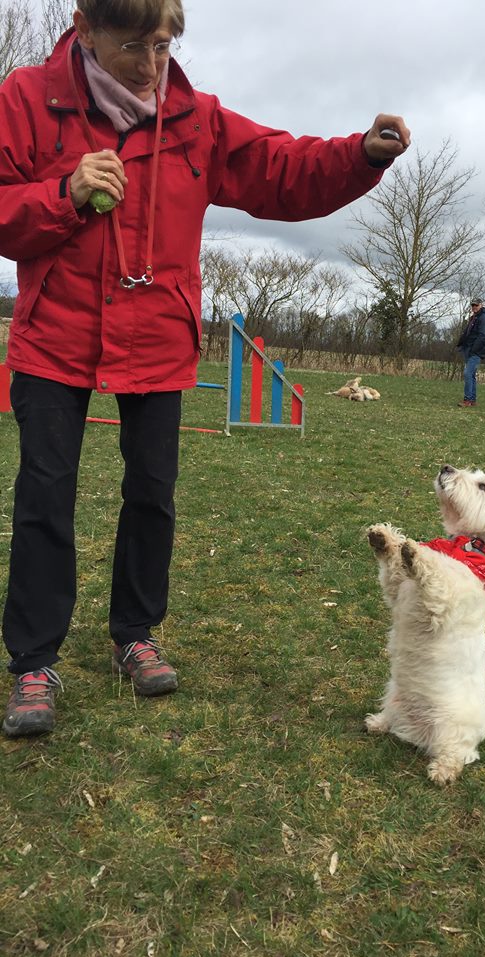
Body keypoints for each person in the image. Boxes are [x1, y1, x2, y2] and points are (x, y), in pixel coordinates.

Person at [0, 0, 410, 738]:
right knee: (44, 498)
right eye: (135, 47)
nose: (154, 66)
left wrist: (360, 156)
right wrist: (61, 194)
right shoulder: (27, 101)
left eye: (165, 45)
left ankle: (135, 633)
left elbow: (282, 170)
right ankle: (33, 660)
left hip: (156, 335)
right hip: (54, 336)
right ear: (84, 27)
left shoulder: (197, 120)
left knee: (153, 494)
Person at [456, 297, 485, 407]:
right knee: (471, 375)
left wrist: (474, 349)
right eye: (472, 305)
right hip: (469, 349)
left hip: (475, 351)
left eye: (476, 305)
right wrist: (461, 343)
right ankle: (472, 400)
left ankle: (467, 400)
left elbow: (483, 336)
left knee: (467, 374)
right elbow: (468, 333)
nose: (474, 307)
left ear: (481, 305)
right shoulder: (475, 318)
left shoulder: (484, 319)